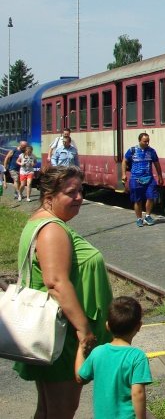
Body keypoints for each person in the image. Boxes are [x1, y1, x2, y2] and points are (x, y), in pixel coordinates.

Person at [13, 166, 114, 419]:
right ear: (49, 197)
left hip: (52, 331)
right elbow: (56, 282)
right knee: (62, 410)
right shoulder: (52, 229)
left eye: (81, 190)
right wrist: (84, 331)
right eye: (71, 192)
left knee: (48, 409)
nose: (80, 197)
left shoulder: (44, 222)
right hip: (62, 335)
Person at [75, 296, 154, 419]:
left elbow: (80, 377)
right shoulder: (137, 357)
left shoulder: (97, 353)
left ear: (107, 325)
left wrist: (81, 349)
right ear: (138, 326)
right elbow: (138, 393)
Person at [123, 133, 163, 227]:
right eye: (145, 141)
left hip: (149, 178)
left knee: (151, 197)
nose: (147, 143)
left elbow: (157, 164)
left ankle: (148, 216)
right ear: (139, 140)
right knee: (138, 200)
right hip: (135, 179)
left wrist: (160, 176)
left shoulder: (151, 151)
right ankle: (139, 218)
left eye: (148, 141)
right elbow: (124, 161)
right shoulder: (132, 150)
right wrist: (124, 174)